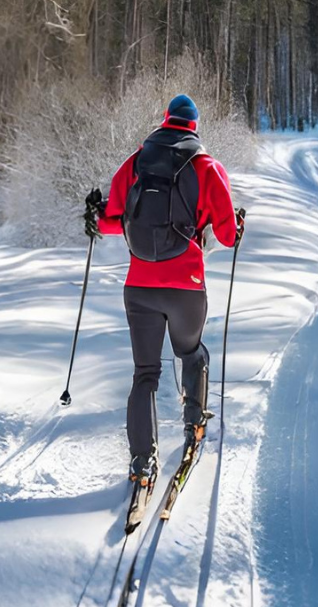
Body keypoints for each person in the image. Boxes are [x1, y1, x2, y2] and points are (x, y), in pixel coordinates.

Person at [84, 94, 242, 489]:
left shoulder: (137, 162)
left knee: (145, 375)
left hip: (139, 286)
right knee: (190, 351)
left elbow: (109, 222)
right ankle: (195, 423)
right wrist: (236, 226)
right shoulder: (206, 167)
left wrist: (93, 212)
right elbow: (226, 234)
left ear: (165, 121)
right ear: (195, 126)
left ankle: (141, 462)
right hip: (186, 287)